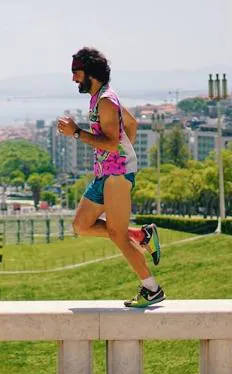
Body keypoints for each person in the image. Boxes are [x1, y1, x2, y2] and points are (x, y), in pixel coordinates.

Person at [57, 47, 164, 308]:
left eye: (76, 73)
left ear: (89, 73)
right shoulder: (101, 98)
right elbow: (132, 124)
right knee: (81, 225)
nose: (73, 79)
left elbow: (112, 141)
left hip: (116, 175)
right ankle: (141, 235)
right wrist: (123, 152)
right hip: (106, 173)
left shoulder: (105, 100)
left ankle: (152, 289)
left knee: (116, 234)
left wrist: (76, 133)